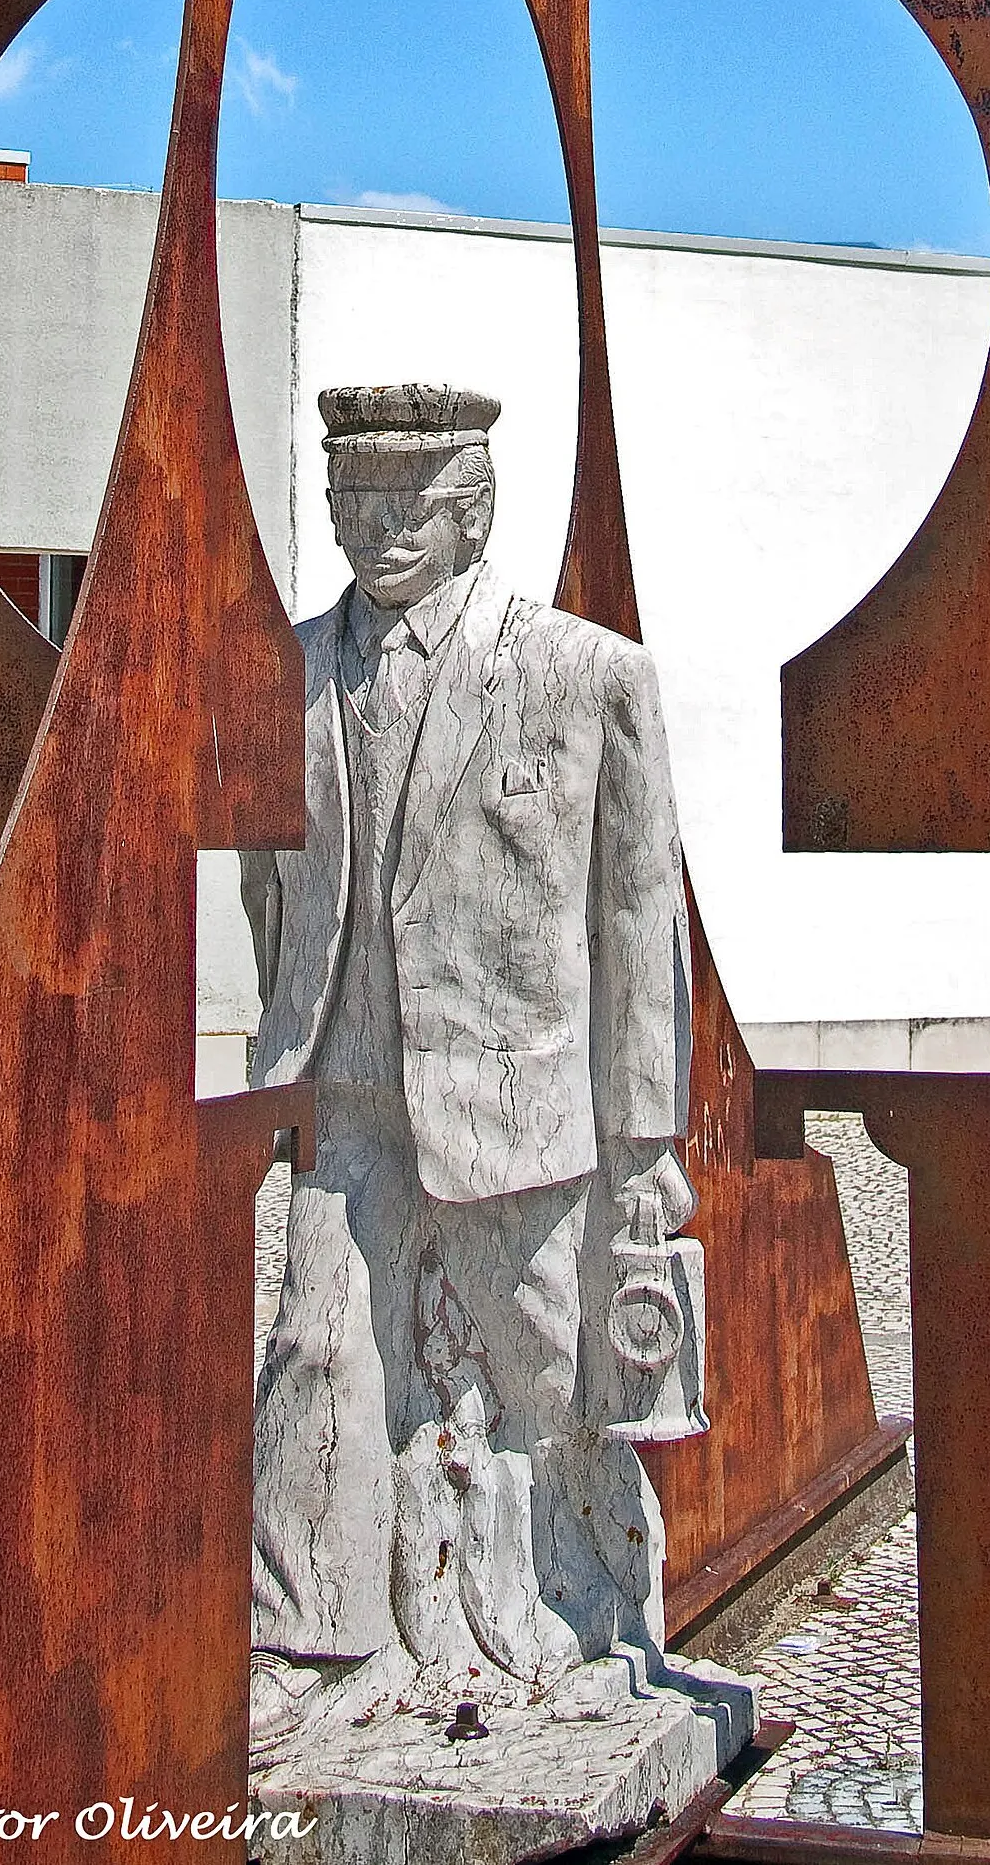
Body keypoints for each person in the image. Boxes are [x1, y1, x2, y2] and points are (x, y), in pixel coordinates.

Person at [244, 383, 700, 1748]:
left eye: (407, 508)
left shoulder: (583, 674)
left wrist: (646, 1147)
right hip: (355, 1094)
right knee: (317, 1355)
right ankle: (312, 1645)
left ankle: (592, 1614)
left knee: (554, 1377)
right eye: (350, 506)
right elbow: (279, 880)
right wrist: (290, 1042)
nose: (375, 533)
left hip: (522, 1106)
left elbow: (639, 926)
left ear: (474, 511)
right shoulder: (294, 669)